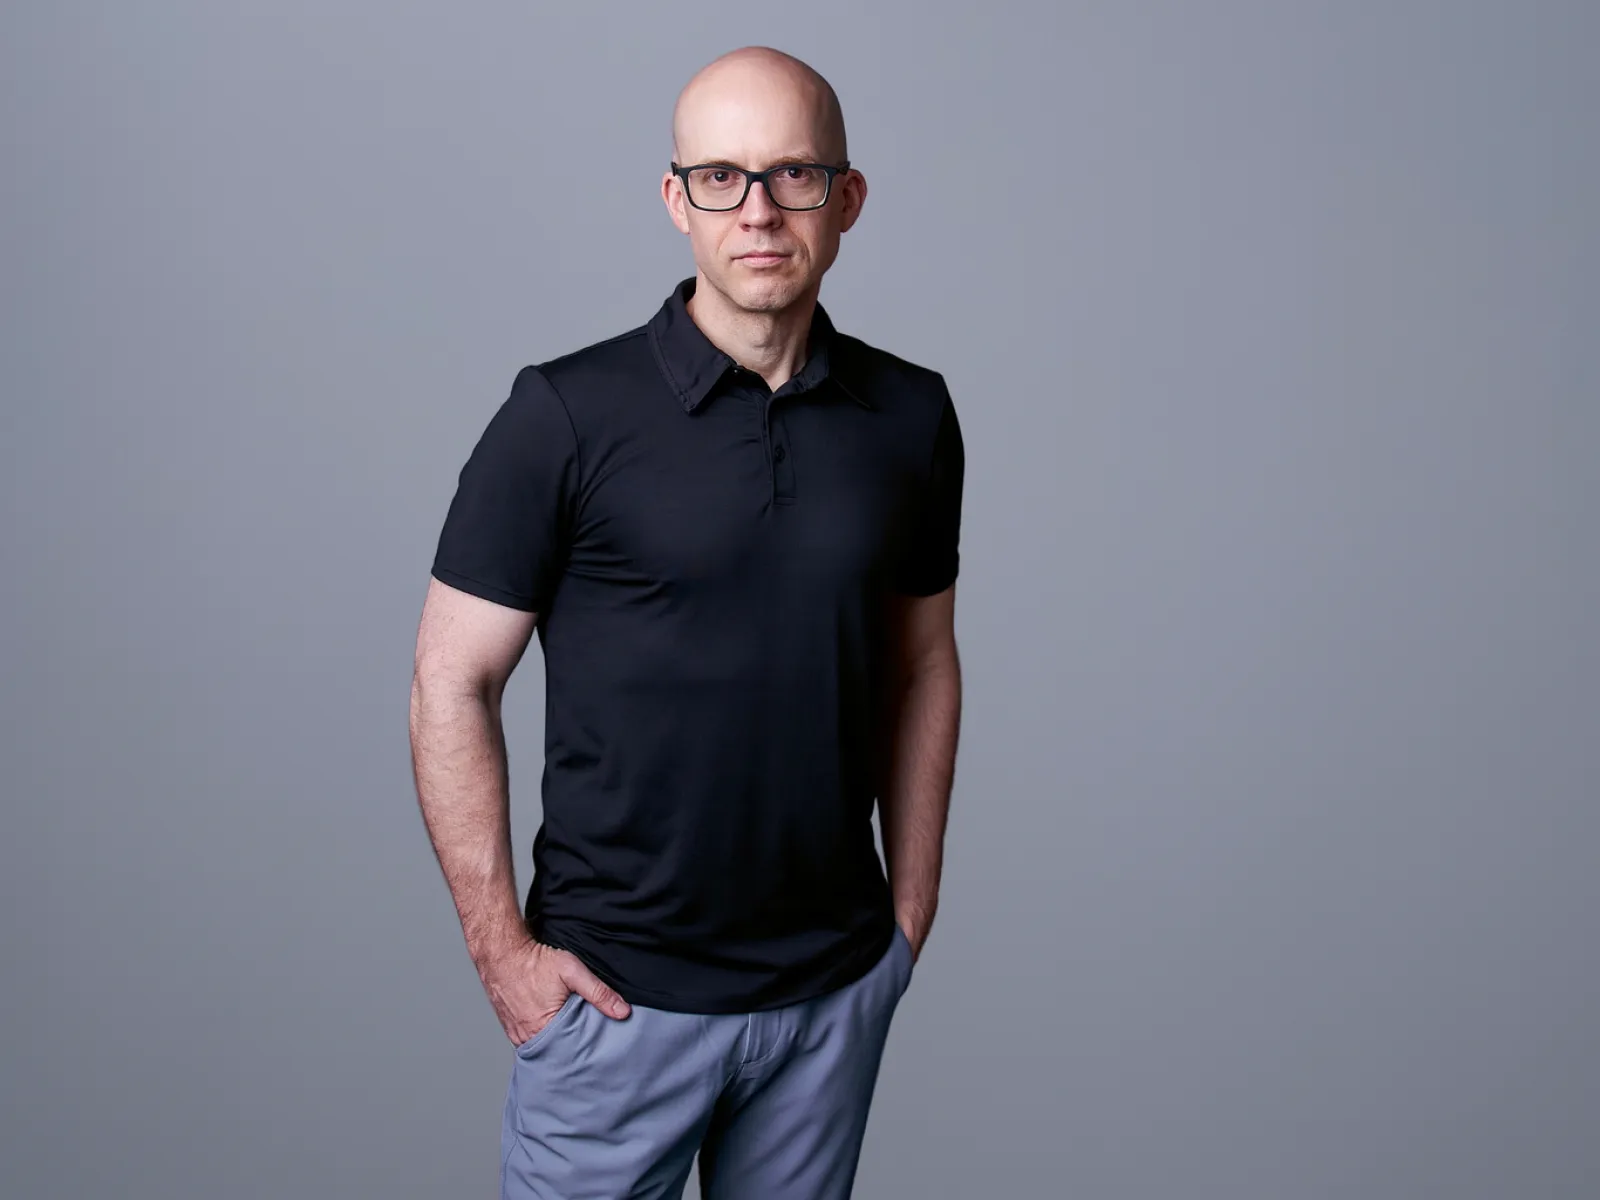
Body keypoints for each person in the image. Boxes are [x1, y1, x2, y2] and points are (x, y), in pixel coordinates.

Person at [409, 44, 964, 1199]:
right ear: (676, 199)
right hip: (615, 1008)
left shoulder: (910, 415)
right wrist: (500, 952)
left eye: (794, 175)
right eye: (720, 176)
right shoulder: (561, 415)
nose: (757, 210)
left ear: (847, 198)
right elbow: (447, 684)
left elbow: (922, 666)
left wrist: (907, 914)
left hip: (828, 998)